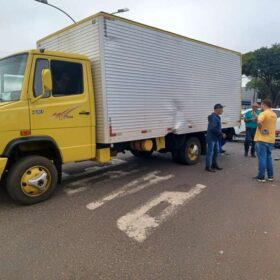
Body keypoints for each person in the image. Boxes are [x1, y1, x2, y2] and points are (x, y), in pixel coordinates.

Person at [254, 99, 277, 182]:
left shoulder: (263, 113)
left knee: (262, 158)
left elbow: (259, 122)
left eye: (261, 105)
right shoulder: (274, 114)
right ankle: (270, 176)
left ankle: (261, 177)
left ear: (264, 104)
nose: (260, 106)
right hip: (270, 139)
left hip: (261, 139)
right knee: (269, 158)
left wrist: (261, 129)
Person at [205, 104, 226, 172]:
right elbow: (212, 128)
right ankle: (208, 167)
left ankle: (214, 164)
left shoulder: (216, 117)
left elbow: (216, 128)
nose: (222, 110)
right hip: (211, 138)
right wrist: (221, 133)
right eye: (222, 109)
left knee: (216, 152)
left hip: (215, 138)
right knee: (210, 152)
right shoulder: (214, 117)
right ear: (217, 109)